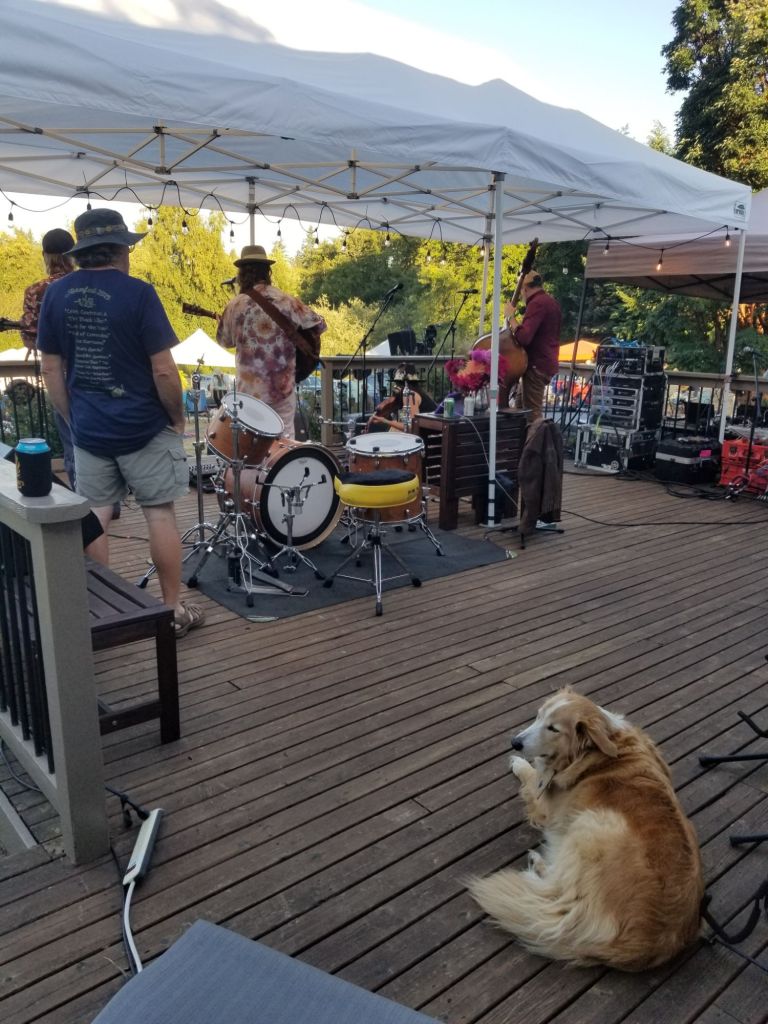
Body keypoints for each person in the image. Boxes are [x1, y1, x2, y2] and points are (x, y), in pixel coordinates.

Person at [37, 208, 205, 639]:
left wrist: (72, 418)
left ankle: (104, 613)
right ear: (120, 250)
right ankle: (171, 611)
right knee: (159, 514)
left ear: (81, 252)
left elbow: (51, 368)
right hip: (143, 426)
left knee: (95, 516)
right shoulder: (139, 294)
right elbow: (164, 370)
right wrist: (177, 417)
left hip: (90, 431)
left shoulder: (56, 295)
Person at [216, 245, 326, 440]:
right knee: (284, 445)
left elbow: (224, 341)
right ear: (267, 272)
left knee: (252, 448)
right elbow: (319, 325)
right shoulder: (286, 300)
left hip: (249, 395)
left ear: (242, 274)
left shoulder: (235, 305)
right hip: (282, 389)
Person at [504, 271, 562, 423]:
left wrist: (511, 318)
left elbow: (524, 337)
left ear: (525, 289)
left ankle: (537, 439)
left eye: (521, 292)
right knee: (519, 411)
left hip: (536, 366)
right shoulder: (551, 302)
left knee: (532, 416)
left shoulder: (537, 304)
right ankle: (522, 438)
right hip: (544, 364)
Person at [365, 365, 436, 432]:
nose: (395, 386)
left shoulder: (410, 394)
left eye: (397, 383)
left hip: (428, 434)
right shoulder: (416, 392)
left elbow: (411, 427)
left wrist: (384, 421)